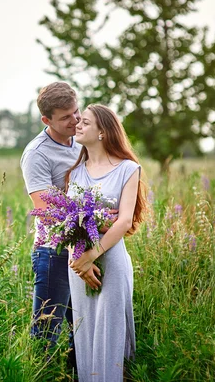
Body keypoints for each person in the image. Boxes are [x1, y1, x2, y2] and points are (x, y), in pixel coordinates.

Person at [65, 104, 147, 381]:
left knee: (111, 332)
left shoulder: (127, 169)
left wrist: (92, 254)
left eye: (85, 123)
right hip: (77, 265)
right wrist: (78, 259)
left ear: (102, 132)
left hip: (111, 260)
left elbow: (123, 221)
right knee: (85, 331)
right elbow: (65, 223)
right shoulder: (75, 173)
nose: (77, 125)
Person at [20, 82, 81, 367]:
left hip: (88, 246)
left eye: (77, 111)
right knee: (47, 334)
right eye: (66, 117)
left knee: (82, 331)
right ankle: (41, 374)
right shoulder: (37, 154)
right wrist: (81, 251)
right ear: (47, 120)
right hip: (54, 251)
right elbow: (45, 211)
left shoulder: (82, 139)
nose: (76, 120)